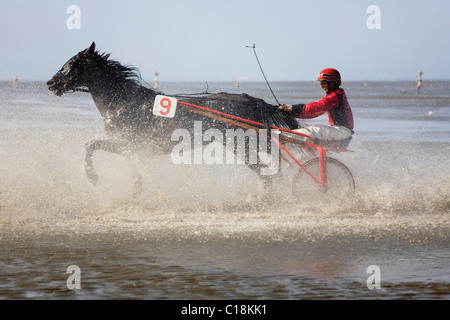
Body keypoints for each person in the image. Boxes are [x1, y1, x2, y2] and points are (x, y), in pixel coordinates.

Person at [279, 68, 354, 143]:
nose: (321, 86)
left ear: (332, 84)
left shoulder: (335, 96)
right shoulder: (337, 95)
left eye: (323, 83)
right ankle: (285, 141)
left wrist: (293, 109)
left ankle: (283, 139)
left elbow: (316, 108)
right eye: (321, 83)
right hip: (339, 131)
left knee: (312, 131)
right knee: (306, 129)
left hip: (342, 132)